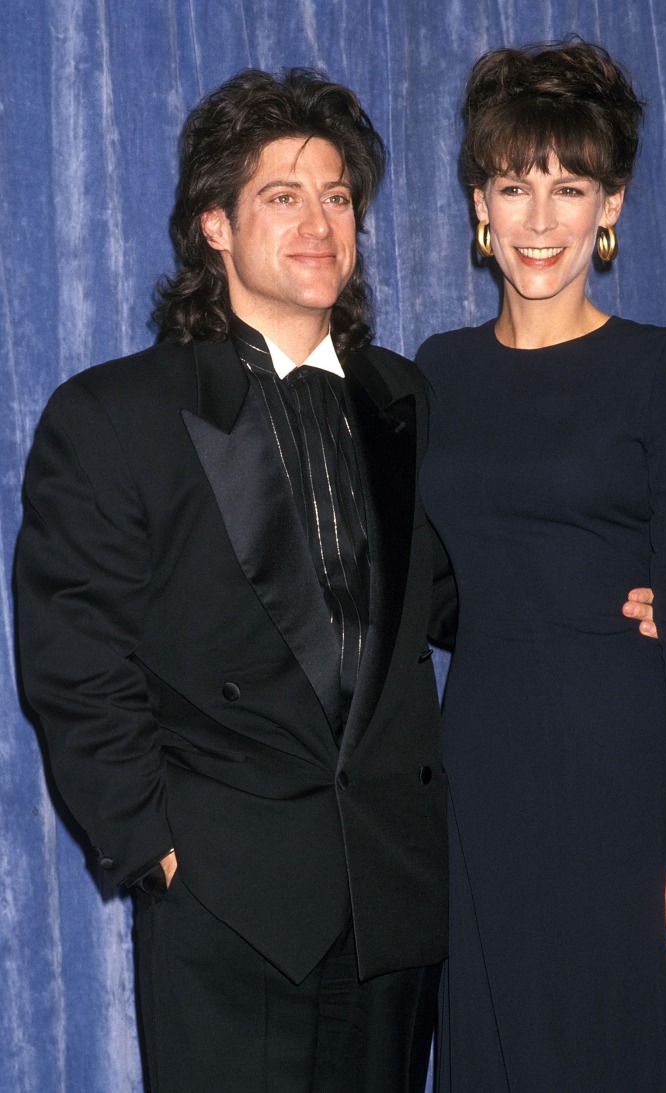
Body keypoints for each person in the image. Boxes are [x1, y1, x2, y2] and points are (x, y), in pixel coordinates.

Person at [15, 69, 448, 1093]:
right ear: (214, 224)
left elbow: (453, 592)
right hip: (229, 908)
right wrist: (158, 849)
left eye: (336, 197)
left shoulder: (408, 400)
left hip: (394, 900)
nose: (318, 224)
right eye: (281, 196)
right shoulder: (115, 412)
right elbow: (72, 650)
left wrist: (604, 596)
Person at [416, 41, 666, 1093]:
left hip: (628, 773)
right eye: (514, 185)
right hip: (482, 779)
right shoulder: (436, 370)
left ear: (612, 204)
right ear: (480, 200)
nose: (538, 219)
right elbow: (427, 587)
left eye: (569, 188)